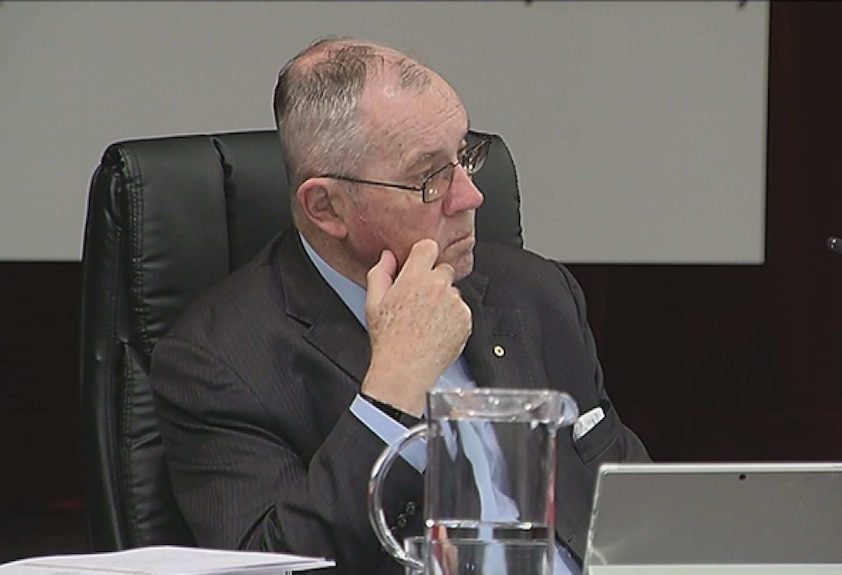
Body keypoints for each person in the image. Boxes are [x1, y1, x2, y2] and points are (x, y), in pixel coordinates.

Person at [151, 37, 650, 575]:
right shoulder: (218, 362)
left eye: (465, 156)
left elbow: (642, 518)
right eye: (430, 177)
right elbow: (273, 566)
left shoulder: (535, 293)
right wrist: (391, 388)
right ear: (327, 207)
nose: (470, 196)